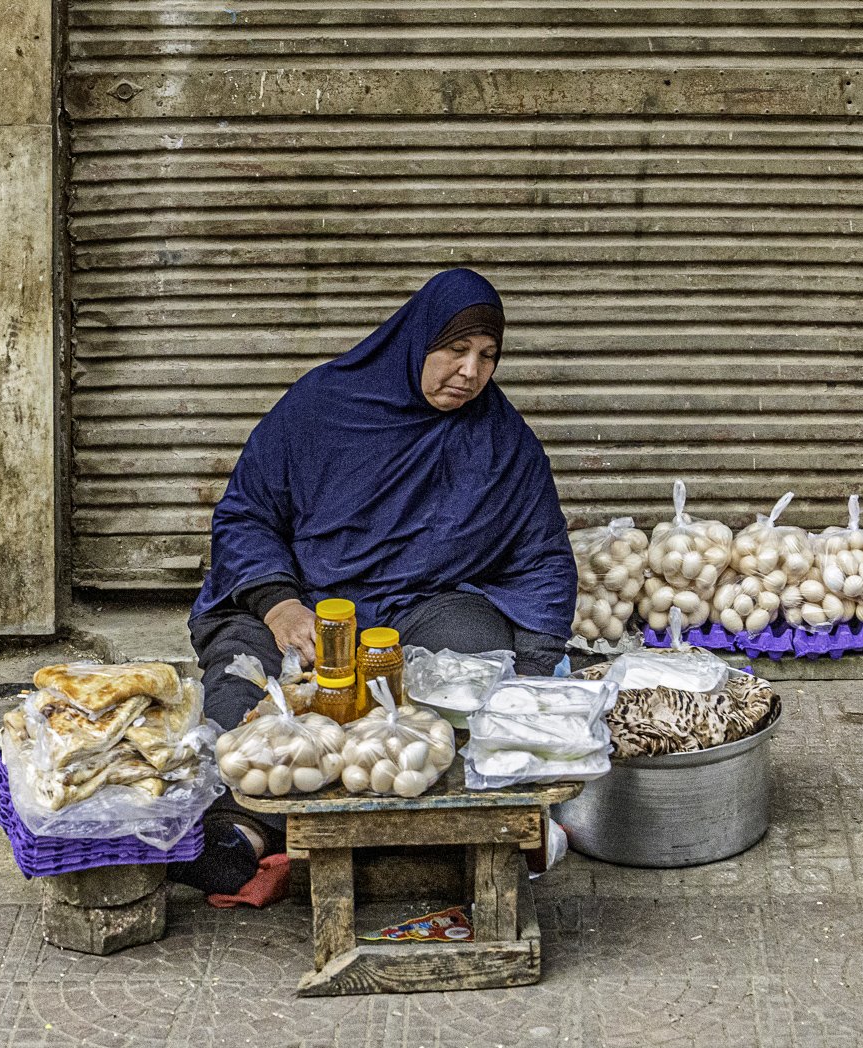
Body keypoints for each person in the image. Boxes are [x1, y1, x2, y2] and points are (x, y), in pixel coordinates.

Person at [169, 268, 578, 895]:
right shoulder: (321, 408)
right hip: (307, 600)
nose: (470, 371)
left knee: (472, 662)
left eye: (487, 356)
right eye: (454, 350)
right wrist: (278, 604)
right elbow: (247, 512)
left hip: (418, 607)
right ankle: (243, 827)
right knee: (242, 681)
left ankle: (418, 815)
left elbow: (542, 554)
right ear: (414, 342)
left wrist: (537, 672)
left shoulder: (502, 442)